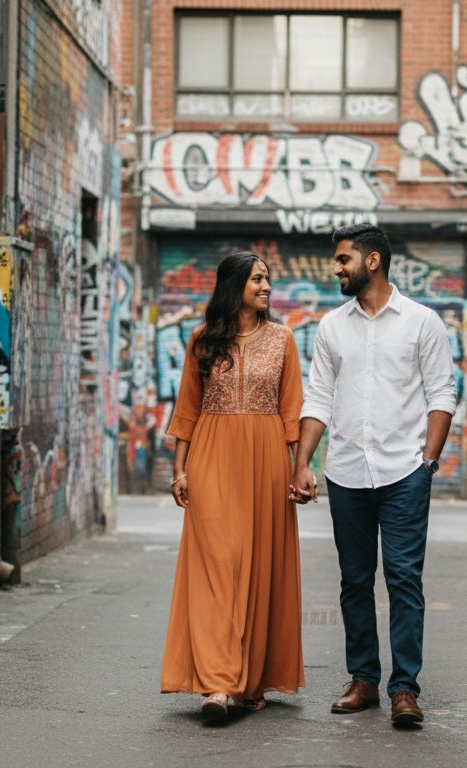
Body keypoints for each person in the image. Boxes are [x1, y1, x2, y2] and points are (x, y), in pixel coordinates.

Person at [289, 223, 456, 726]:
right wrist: (303, 464)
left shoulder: (422, 322)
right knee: (355, 580)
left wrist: (426, 462)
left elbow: (441, 395)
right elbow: (317, 398)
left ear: (372, 261)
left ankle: (404, 688)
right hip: (345, 473)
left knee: (404, 580)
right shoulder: (332, 326)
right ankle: (363, 680)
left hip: (404, 471)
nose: (335, 268)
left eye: (343, 260)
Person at [161, 251, 306, 718]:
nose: (266, 287)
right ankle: (219, 683)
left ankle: (252, 679)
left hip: (266, 461)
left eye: (268, 279)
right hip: (211, 456)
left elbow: (292, 412)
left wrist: (299, 468)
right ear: (235, 285)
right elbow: (187, 408)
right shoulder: (202, 340)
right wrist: (179, 469)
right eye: (258, 279)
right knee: (219, 565)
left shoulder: (284, 340)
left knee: (260, 567)